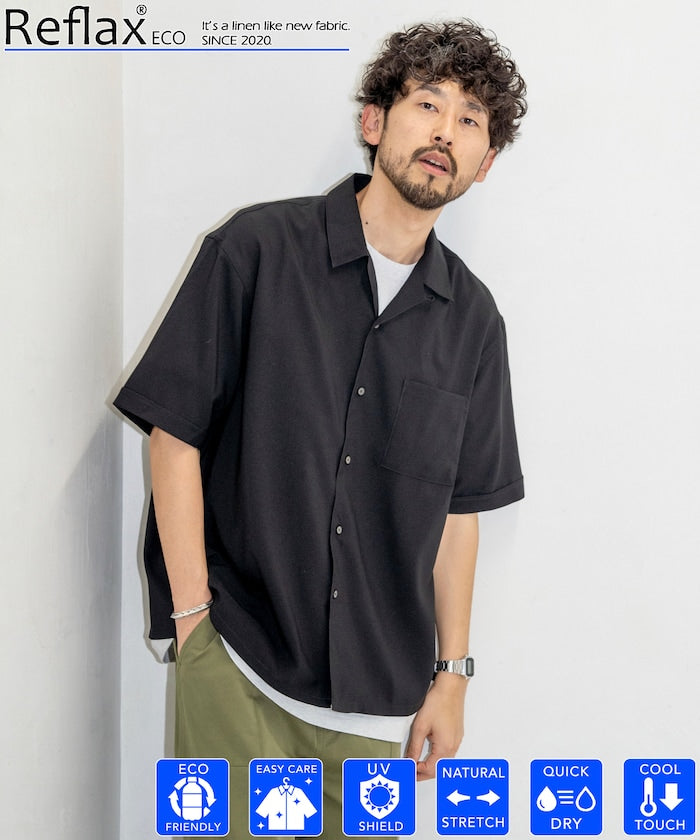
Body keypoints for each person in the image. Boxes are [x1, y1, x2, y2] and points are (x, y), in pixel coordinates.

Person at [115, 19, 527, 839]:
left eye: (471, 119)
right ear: (374, 121)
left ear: (484, 164)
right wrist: (194, 623)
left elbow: (459, 512)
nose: (446, 131)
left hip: (377, 708)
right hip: (238, 663)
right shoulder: (256, 249)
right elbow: (175, 432)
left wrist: (452, 676)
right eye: (427, 103)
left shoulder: (474, 323)